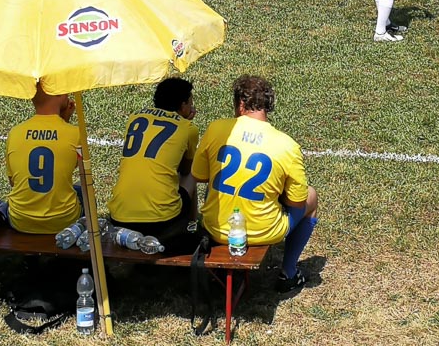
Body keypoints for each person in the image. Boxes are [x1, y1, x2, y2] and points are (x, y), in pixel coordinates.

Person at [192, 75, 318, 293]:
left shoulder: (216, 129)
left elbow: (200, 176)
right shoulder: (287, 145)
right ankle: (288, 273)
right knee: (311, 196)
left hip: (215, 228)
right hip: (264, 232)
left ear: (241, 104)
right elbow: (297, 202)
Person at [108, 78, 199, 252]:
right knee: (194, 171)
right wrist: (185, 121)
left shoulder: (134, 118)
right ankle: (191, 225)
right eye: (190, 102)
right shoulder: (188, 128)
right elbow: (186, 170)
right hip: (162, 221)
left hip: (119, 217)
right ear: (183, 105)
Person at [4, 84, 81, 234]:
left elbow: (13, 182)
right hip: (63, 220)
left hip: (21, 220)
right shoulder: (75, 133)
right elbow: (72, 167)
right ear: (59, 95)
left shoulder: (15, 132)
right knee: (81, 191)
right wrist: (65, 121)